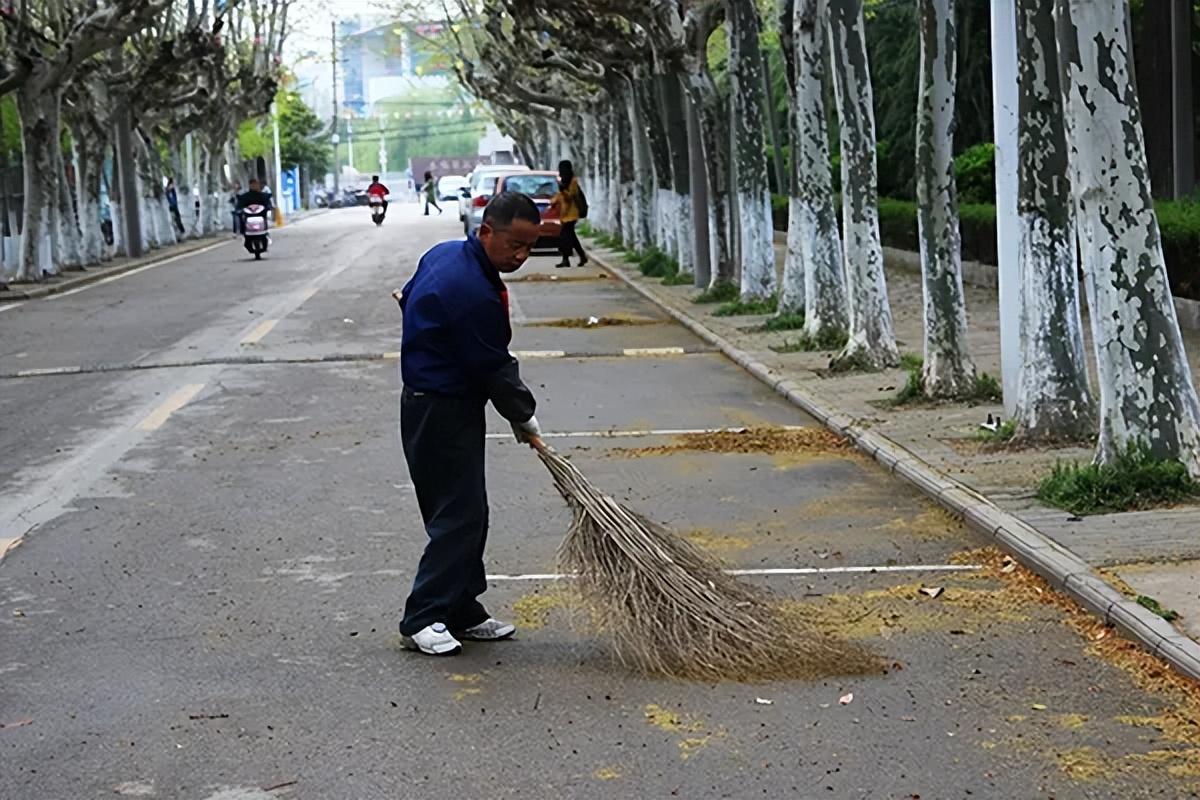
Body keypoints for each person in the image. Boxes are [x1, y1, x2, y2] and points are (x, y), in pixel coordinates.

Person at [394, 191, 544, 656]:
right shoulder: (471, 290)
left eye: (528, 247)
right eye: (513, 245)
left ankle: (461, 607)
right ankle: (423, 615)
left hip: (444, 403)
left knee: (466, 512)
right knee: (458, 516)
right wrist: (524, 416)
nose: (520, 256)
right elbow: (491, 365)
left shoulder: (446, 256)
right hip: (439, 408)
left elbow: (409, 295)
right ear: (486, 232)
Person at [551, 159, 587, 268]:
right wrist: (553, 201)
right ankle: (581, 256)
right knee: (571, 237)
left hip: (572, 214)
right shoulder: (563, 181)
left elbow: (570, 196)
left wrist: (563, 190)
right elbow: (560, 196)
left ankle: (566, 259)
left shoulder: (572, 182)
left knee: (565, 236)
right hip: (565, 214)